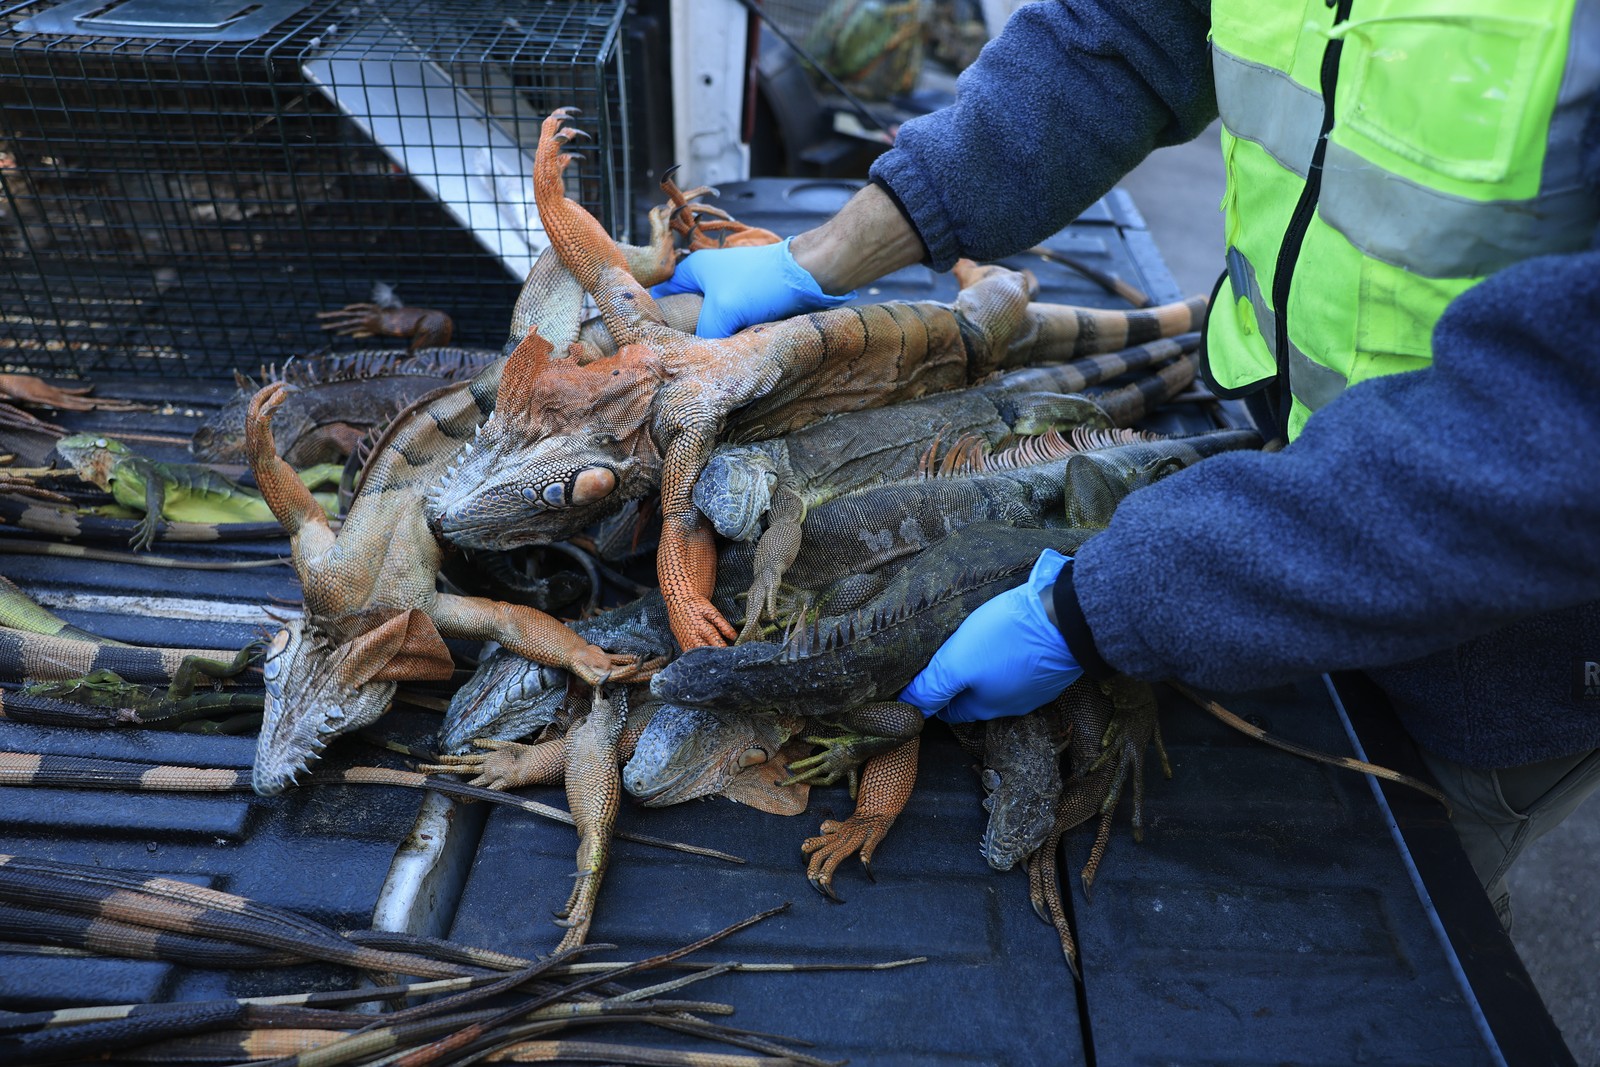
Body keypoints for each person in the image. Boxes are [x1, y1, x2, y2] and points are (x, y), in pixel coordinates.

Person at [650, 1, 1600, 926]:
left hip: (1502, 628)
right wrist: (818, 259)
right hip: (1261, 478)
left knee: (1422, 931)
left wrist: (1094, 609)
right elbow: (1126, 33)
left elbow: (1557, 436)